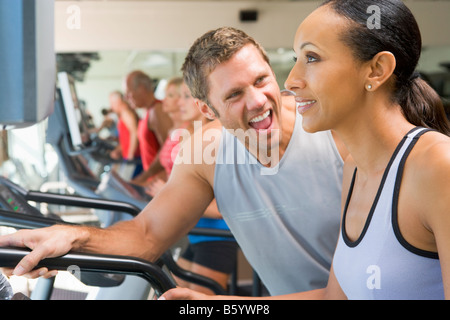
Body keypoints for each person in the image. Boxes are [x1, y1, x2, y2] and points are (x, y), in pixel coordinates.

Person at [0, 27, 347, 296]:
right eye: (234, 94)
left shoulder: (335, 130)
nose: (257, 101)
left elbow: (359, 288)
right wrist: (72, 238)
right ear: (207, 109)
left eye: (261, 80)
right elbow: (147, 235)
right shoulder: (205, 153)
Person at [162, 0, 450, 300]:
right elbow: (333, 298)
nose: (290, 81)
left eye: (312, 58)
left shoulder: (438, 167)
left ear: (376, 70)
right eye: (297, 58)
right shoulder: (354, 171)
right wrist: (215, 306)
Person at [147, 81, 238, 294]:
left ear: (204, 104)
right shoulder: (194, 136)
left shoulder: (212, 141)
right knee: (169, 293)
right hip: (197, 236)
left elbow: (219, 209)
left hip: (216, 238)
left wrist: (167, 194)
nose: (180, 102)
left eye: (187, 96)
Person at [125, 71, 173, 177]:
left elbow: (169, 150)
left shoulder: (157, 110)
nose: (127, 98)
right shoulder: (146, 112)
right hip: (152, 180)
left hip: (160, 181)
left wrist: (145, 177)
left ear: (141, 89)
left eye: (128, 93)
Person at [108, 91, 142, 177]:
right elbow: (126, 137)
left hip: (134, 156)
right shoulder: (123, 114)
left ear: (118, 101)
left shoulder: (126, 113)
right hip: (129, 155)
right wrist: (119, 149)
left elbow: (135, 132)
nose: (111, 106)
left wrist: (131, 154)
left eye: (112, 103)